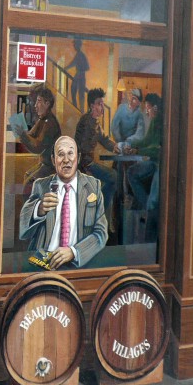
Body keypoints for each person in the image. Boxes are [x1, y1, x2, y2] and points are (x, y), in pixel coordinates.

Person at [18, 135, 109, 269]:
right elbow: (23, 229)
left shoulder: (93, 186)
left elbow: (101, 233)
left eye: (70, 153)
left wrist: (74, 251)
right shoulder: (41, 185)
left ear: (77, 158)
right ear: (54, 160)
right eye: (61, 155)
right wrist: (39, 209)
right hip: (45, 263)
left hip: (79, 262)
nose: (66, 160)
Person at [74, 87, 117, 208]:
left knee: (114, 176)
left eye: (103, 104)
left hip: (87, 163)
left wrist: (116, 147)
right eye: (99, 104)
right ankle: (99, 207)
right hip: (83, 164)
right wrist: (85, 168)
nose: (102, 107)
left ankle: (99, 206)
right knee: (114, 176)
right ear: (92, 106)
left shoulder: (94, 122)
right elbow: (81, 148)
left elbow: (104, 139)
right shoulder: (87, 122)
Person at [9, 86, 61, 184]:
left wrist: (22, 134)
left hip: (51, 166)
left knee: (29, 184)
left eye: (39, 101)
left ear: (47, 104)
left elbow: (37, 147)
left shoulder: (50, 123)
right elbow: (31, 135)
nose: (35, 105)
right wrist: (22, 133)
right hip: (45, 163)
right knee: (28, 176)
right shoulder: (42, 119)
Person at [127, 94, 163, 212]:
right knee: (131, 171)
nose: (146, 111)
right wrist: (132, 145)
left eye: (148, 107)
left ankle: (147, 208)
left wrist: (138, 150)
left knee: (132, 173)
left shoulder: (161, 123)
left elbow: (157, 150)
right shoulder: (154, 121)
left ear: (155, 108)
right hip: (154, 162)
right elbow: (147, 140)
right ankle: (144, 207)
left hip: (159, 164)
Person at [69, 38, 89, 110]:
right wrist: (65, 68)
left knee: (81, 94)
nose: (74, 46)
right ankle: (76, 108)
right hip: (78, 76)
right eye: (74, 45)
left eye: (75, 44)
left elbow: (87, 67)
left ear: (78, 45)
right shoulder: (78, 54)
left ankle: (81, 111)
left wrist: (81, 70)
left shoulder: (81, 55)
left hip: (81, 76)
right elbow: (73, 63)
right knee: (73, 90)